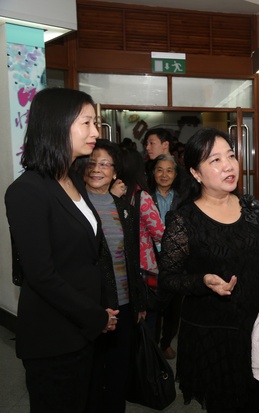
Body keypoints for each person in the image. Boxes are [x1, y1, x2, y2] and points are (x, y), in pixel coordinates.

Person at [158, 127, 259, 411]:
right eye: (215, 160)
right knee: (224, 404)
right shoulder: (183, 220)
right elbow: (168, 278)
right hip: (211, 333)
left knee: (254, 400)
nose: (228, 165)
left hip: (255, 326)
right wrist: (203, 281)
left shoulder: (251, 208)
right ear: (196, 173)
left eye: (230, 156)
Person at [4, 87, 119, 413]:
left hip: (85, 330)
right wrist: (95, 316)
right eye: (87, 123)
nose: (95, 132)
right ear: (57, 125)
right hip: (53, 336)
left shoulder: (73, 181)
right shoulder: (27, 191)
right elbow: (42, 275)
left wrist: (103, 308)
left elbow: (90, 255)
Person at [82, 139, 147, 413]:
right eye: (92, 163)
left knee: (119, 372)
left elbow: (132, 258)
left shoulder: (125, 209)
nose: (97, 169)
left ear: (115, 171)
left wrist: (139, 301)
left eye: (105, 164)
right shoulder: (75, 206)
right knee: (91, 375)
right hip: (90, 305)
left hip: (123, 305)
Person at [120, 147, 165, 338]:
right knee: (150, 317)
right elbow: (160, 234)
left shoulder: (113, 195)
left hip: (121, 268)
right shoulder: (141, 197)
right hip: (146, 269)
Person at [148, 154, 183, 358]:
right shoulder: (144, 197)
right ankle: (151, 345)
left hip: (175, 260)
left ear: (175, 174)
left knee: (173, 306)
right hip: (151, 257)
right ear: (153, 173)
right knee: (153, 304)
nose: (164, 174)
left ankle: (166, 342)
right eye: (159, 170)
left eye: (169, 170)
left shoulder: (182, 199)